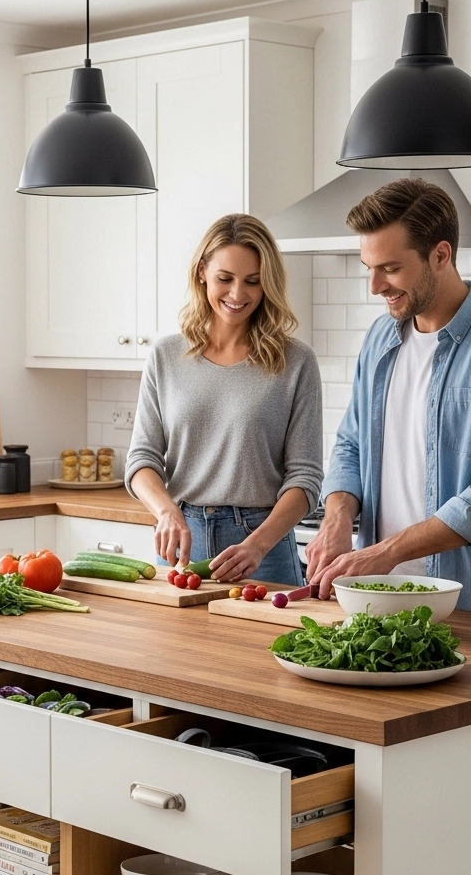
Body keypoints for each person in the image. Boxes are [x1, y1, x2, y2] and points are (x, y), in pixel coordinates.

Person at [125, 213, 323, 582]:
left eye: (252, 281)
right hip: (182, 542)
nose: (237, 294)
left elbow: (305, 477)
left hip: (262, 546)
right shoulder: (166, 356)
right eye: (225, 279)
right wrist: (166, 512)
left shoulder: (296, 362)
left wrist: (258, 544)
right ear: (202, 271)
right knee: (174, 643)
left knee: (264, 643)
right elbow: (142, 459)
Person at [306, 177, 471, 608]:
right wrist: (338, 516)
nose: (375, 286)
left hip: (461, 600)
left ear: (440, 255)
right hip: (377, 597)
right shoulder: (380, 338)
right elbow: (350, 442)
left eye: (391, 268)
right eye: (369, 268)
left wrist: (386, 552)